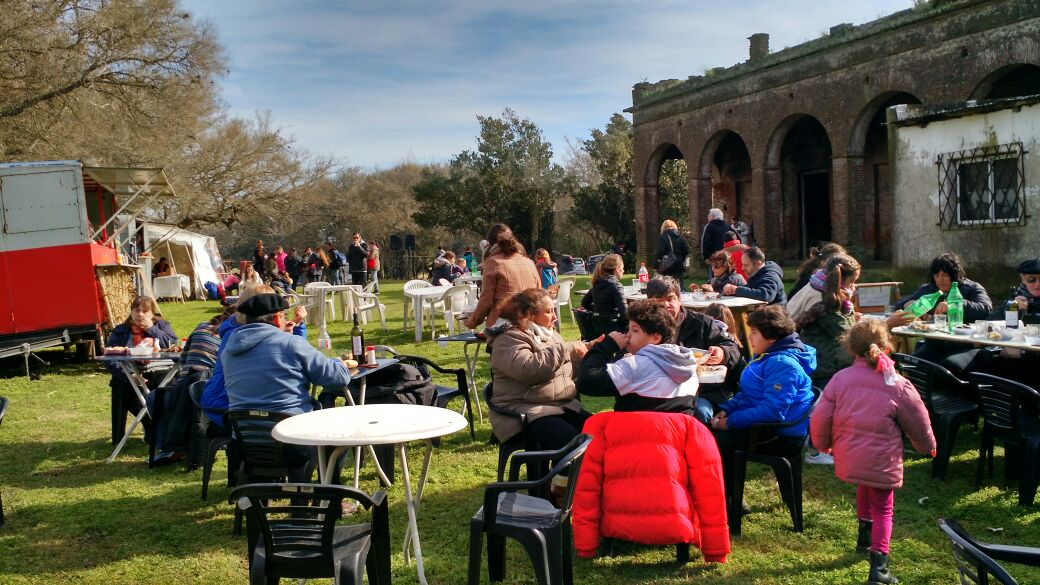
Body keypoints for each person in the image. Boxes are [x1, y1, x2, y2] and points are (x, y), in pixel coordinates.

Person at [810, 319, 936, 585]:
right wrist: (927, 446)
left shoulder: (840, 379)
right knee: (883, 507)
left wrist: (821, 444)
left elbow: (820, 415)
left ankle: (864, 537)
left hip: (850, 454)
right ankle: (879, 567)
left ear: (850, 348)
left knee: (865, 486)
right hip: (881, 458)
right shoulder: (897, 383)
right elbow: (918, 418)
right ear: (886, 346)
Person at [223, 293, 350, 482]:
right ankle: (329, 500)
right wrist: (340, 362)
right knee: (342, 433)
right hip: (292, 440)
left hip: (245, 443)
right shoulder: (291, 343)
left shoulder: (229, 350)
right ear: (276, 318)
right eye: (284, 314)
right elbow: (337, 378)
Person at [709, 305, 816, 501]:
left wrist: (731, 422)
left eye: (755, 333)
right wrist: (727, 409)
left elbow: (772, 411)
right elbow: (751, 394)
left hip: (778, 435)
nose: (749, 338)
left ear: (772, 336)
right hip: (767, 427)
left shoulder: (782, 363)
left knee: (717, 441)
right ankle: (727, 498)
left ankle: (728, 501)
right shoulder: (770, 355)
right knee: (713, 434)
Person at [486, 289, 591, 451]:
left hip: (554, 406)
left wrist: (589, 354)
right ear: (529, 314)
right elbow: (529, 370)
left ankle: (571, 476)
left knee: (598, 430)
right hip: (521, 411)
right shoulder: (508, 338)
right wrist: (567, 349)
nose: (555, 317)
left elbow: (562, 371)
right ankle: (561, 476)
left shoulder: (550, 335)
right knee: (570, 440)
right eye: (549, 312)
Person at [200, 286, 308, 429]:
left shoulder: (238, 330)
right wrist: (283, 334)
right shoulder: (238, 335)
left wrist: (295, 327)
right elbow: (290, 359)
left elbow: (297, 356)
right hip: (228, 406)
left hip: (228, 402)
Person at [644, 276, 742, 422]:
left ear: (679, 299)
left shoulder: (701, 323)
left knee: (698, 413)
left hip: (702, 391)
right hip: (657, 389)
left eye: (670, 299)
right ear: (649, 302)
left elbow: (732, 347)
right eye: (658, 300)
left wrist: (722, 353)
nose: (665, 304)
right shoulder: (641, 326)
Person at [576, 300, 699, 414]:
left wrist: (607, 346)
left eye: (635, 330)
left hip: (636, 435)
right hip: (679, 435)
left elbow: (586, 382)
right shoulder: (688, 367)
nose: (628, 335)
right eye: (629, 329)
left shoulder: (635, 366)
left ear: (656, 337)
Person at [893, 252, 993, 375]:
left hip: (964, 345)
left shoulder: (972, 288)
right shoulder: (928, 289)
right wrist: (907, 304)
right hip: (935, 344)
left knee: (950, 366)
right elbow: (898, 305)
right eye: (937, 275)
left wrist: (955, 304)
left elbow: (986, 308)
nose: (940, 279)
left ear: (954, 275)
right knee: (915, 364)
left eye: (945, 275)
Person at [105, 296, 179, 445]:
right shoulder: (121, 330)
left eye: (145, 311)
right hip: (132, 371)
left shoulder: (162, 326)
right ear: (131, 312)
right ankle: (146, 425)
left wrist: (151, 328)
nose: (140, 314)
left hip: (160, 369)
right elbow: (109, 357)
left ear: (152, 314)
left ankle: (164, 432)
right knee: (121, 385)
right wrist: (129, 375)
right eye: (136, 310)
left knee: (167, 387)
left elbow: (173, 345)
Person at [795, 254, 861, 387]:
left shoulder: (820, 289)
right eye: (852, 282)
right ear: (840, 280)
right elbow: (851, 337)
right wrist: (887, 324)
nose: (854, 287)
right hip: (825, 371)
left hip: (821, 365)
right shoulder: (830, 303)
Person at [464, 224, 540, 330]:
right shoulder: (530, 263)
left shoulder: (493, 262)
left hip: (501, 327)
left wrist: (473, 321)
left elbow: (486, 301)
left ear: (490, 243)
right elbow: (539, 296)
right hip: (530, 325)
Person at [788, 252, 859, 323]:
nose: (853, 285)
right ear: (839, 278)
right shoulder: (824, 297)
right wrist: (851, 321)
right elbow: (829, 327)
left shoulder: (817, 283)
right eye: (852, 281)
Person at [722, 246, 787, 306]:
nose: (743, 268)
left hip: (774, 315)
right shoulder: (757, 273)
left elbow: (765, 295)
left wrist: (737, 290)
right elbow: (751, 289)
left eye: (746, 265)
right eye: (743, 264)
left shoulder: (771, 276)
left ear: (758, 264)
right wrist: (732, 290)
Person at [580, 253, 627, 322]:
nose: (623, 271)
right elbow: (624, 314)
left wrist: (600, 313)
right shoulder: (616, 285)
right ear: (617, 269)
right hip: (615, 327)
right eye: (622, 268)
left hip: (599, 326)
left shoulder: (597, 283)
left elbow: (584, 303)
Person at [654, 219, 690, 288]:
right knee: (679, 285)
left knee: (666, 287)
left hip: (668, 267)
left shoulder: (662, 237)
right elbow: (686, 251)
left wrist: (656, 266)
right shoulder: (680, 237)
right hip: (679, 266)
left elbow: (660, 252)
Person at [1012, 257, 1040, 323]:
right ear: (1023, 280)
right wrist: (1011, 309)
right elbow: (992, 321)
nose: (1038, 284)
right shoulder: (1015, 297)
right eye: (1031, 280)